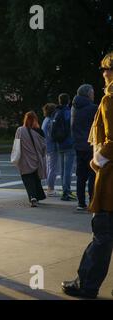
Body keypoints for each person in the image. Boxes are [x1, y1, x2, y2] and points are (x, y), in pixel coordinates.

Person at [62, 52, 113, 299]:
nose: (104, 74)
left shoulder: (109, 100)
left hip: (110, 179)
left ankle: (87, 284)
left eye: (107, 69)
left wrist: (98, 161)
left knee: (102, 234)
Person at [71, 84, 98, 211]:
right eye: (92, 93)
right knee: (92, 174)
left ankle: (81, 203)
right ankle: (93, 200)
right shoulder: (93, 108)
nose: (93, 95)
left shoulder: (74, 108)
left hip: (78, 145)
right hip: (90, 145)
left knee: (80, 175)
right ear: (88, 94)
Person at [14, 112, 47, 207]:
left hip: (24, 159)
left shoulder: (20, 130)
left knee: (27, 178)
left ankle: (32, 196)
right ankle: (38, 195)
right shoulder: (39, 131)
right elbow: (44, 147)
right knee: (36, 178)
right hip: (37, 159)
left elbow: (16, 144)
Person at [54, 93, 77, 201]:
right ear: (68, 101)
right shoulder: (68, 112)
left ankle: (64, 190)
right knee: (68, 170)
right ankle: (66, 192)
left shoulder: (57, 112)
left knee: (63, 170)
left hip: (60, 143)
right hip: (68, 143)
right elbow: (71, 127)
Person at [42, 103, 59, 197]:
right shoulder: (51, 121)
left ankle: (49, 187)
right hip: (52, 146)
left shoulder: (45, 120)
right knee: (52, 168)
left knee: (49, 168)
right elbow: (52, 135)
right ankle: (50, 188)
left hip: (46, 146)